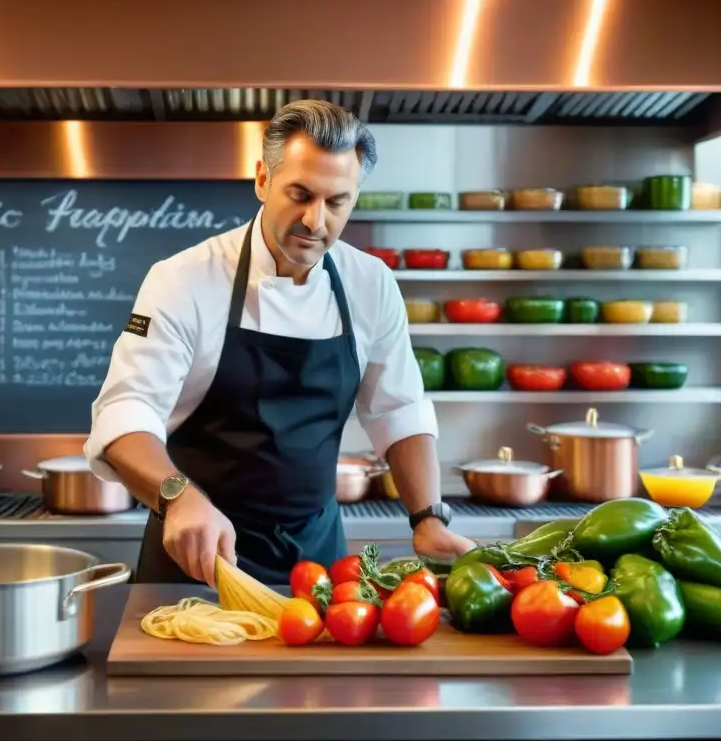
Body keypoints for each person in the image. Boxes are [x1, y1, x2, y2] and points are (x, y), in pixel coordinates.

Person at [84, 99, 475, 586]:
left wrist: (428, 519)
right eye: (300, 193)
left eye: (337, 202)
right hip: (197, 551)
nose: (316, 221)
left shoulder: (371, 284)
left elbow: (398, 409)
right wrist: (177, 497)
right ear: (263, 181)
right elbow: (127, 412)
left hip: (318, 560)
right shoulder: (182, 280)